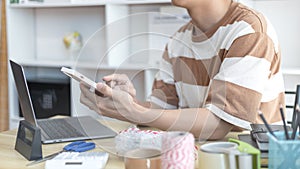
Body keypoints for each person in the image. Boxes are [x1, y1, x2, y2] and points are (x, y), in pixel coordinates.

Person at [80, 0, 285, 140]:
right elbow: (162, 112)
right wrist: (128, 102)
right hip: (196, 153)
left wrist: (135, 111)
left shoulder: (249, 30)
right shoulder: (179, 39)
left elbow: (219, 123)